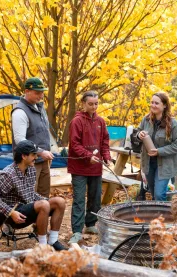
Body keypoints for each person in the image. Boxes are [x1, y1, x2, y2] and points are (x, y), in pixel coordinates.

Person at [0, 140, 67, 251]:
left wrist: (47, 201)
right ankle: (43, 247)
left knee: (60, 202)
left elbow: (30, 193)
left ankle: (53, 241)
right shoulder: (8, 174)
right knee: (44, 205)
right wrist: (11, 212)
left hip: (27, 208)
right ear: (24, 156)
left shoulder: (31, 170)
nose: (36, 157)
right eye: (33, 154)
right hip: (14, 215)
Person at [67, 91, 111, 244]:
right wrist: (87, 156)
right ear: (83, 104)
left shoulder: (100, 121)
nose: (94, 106)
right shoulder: (77, 121)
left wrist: (107, 157)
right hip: (79, 166)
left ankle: (91, 224)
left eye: (96, 103)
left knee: (95, 197)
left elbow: (105, 141)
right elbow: (74, 144)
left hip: (96, 166)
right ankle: (77, 231)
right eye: (91, 104)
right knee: (79, 199)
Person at [137, 92, 177, 201]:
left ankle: (163, 217)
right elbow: (137, 133)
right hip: (148, 163)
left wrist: (159, 151)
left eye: (156, 103)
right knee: (153, 194)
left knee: (159, 194)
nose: (153, 105)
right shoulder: (146, 120)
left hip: (165, 165)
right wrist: (139, 135)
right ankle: (157, 216)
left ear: (164, 105)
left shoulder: (173, 124)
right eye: (152, 102)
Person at [11, 77, 54, 198]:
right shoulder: (20, 112)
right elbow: (20, 140)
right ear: (26, 91)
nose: (40, 95)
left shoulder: (39, 107)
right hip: (28, 162)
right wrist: (40, 152)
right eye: (37, 92)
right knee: (29, 198)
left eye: (42, 92)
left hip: (44, 161)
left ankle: (43, 217)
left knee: (44, 196)